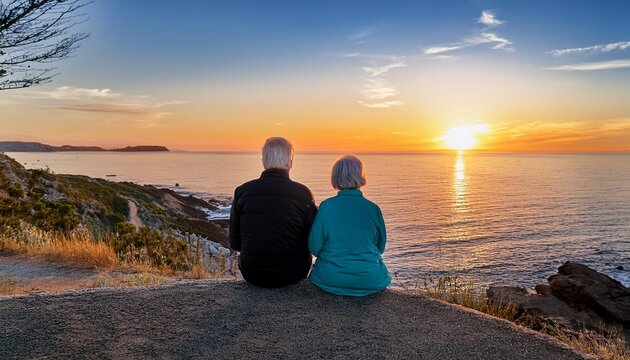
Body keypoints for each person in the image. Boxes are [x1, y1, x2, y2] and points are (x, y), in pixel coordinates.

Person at [229, 137, 317, 287]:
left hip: (252, 272)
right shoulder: (303, 193)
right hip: (294, 272)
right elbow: (313, 241)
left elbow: (235, 243)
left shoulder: (243, 191)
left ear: (264, 161)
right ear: (290, 162)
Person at [308, 155, 391, 296]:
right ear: (361, 176)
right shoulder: (373, 209)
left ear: (335, 177)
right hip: (370, 279)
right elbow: (380, 248)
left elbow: (314, 248)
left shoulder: (326, 207)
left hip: (330, 279)